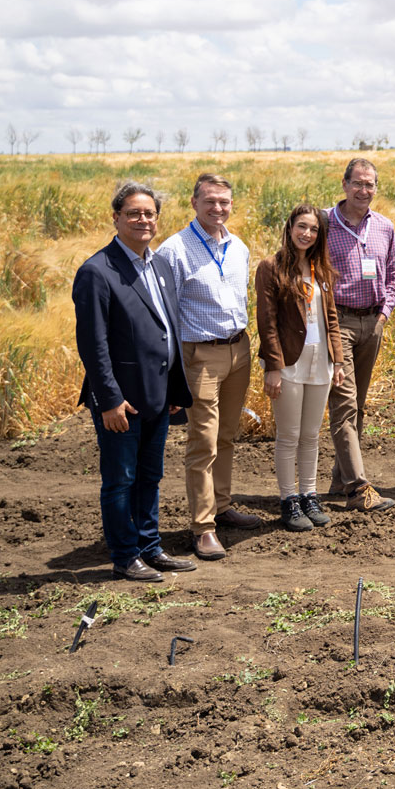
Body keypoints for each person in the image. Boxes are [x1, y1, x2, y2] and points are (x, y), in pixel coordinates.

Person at [72, 182, 195, 582]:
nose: (143, 220)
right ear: (116, 218)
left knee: (149, 476)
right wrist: (109, 400)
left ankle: (149, 547)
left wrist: (175, 389)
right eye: (133, 213)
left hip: (157, 396)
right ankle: (125, 555)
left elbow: (167, 331)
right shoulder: (97, 271)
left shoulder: (158, 265)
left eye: (149, 214)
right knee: (120, 479)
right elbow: (93, 344)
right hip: (120, 401)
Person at [155, 173, 255, 561]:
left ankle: (223, 505)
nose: (218, 208)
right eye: (210, 201)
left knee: (227, 435)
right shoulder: (174, 251)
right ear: (194, 203)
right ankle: (203, 527)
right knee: (204, 442)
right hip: (200, 356)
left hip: (238, 351)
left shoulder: (238, 247)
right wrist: (174, 372)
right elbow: (165, 315)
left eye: (224, 202)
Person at [254, 205, 346, 531]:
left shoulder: (321, 270)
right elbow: (267, 323)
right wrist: (273, 368)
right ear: (290, 226)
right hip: (289, 361)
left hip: (320, 360)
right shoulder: (271, 267)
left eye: (314, 229)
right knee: (288, 435)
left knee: (310, 435)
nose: (307, 234)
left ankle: (309, 494)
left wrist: (338, 361)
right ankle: (288, 500)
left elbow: (331, 319)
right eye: (302, 227)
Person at [325, 158, 395, 511]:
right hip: (337, 323)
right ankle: (357, 489)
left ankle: (340, 479)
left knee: (357, 405)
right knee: (343, 403)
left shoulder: (384, 226)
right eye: (358, 183)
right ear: (344, 184)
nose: (364, 190)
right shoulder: (324, 224)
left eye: (370, 184)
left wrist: (384, 314)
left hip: (373, 323)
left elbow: (394, 275)